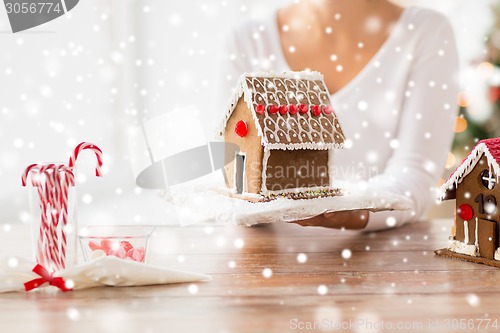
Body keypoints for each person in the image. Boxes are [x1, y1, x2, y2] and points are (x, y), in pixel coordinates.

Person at [219, 0, 459, 231]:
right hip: (262, 258)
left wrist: (357, 209)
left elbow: (415, 175)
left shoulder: (426, 32)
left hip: (379, 259)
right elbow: (230, 166)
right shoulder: (246, 41)